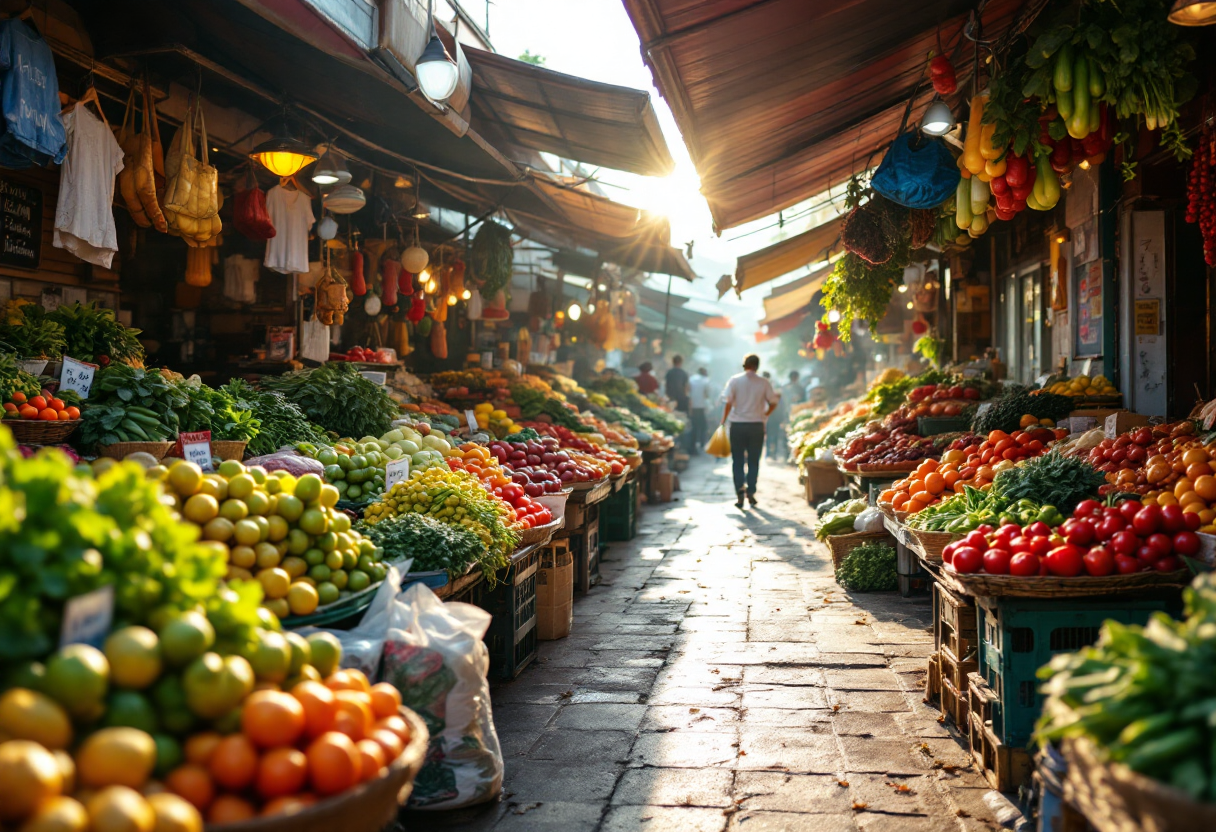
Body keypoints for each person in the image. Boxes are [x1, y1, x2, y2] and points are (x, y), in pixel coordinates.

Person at [721, 354, 779, 509]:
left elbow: (728, 403)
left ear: (744, 364)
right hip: (756, 426)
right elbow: (774, 402)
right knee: (754, 461)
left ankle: (739, 491)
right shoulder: (764, 382)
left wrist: (723, 420)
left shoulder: (734, 380)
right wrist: (765, 415)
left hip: (737, 425)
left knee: (737, 460)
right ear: (757, 366)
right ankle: (751, 491)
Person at [766, 370, 805, 463]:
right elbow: (781, 403)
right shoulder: (791, 388)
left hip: (793, 415)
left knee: (784, 435)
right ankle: (784, 455)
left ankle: (784, 455)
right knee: (784, 435)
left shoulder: (790, 388)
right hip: (788, 415)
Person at [688, 367, 713, 453]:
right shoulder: (706, 380)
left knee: (694, 427)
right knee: (703, 427)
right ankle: (702, 444)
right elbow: (707, 395)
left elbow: (688, 391)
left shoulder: (691, 379)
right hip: (701, 407)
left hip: (692, 406)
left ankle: (693, 446)